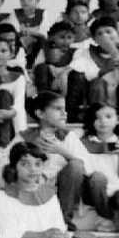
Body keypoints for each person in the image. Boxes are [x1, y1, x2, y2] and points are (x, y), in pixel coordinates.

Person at [8, 91, 85, 230]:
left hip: (63, 188)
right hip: (35, 183)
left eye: (64, 109)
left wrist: (61, 151)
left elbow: (86, 168)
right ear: (40, 114)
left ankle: (63, 219)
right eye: (58, 109)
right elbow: (6, 162)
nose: (64, 113)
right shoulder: (25, 137)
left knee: (76, 164)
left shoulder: (68, 137)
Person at [76, 103, 119, 238]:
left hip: (116, 193)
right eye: (97, 118)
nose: (103, 121)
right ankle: (111, 217)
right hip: (94, 191)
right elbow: (85, 173)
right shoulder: (83, 143)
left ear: (118, 119)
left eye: (108, 117)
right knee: (97, 178)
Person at [66, 17, 119, 128]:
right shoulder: (84, 52)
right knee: (97, 82)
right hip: (94, 90)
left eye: (108, 32)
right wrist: (104, 69)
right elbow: (82, 74)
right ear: (94, 39)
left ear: (116, 33)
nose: (105, 36)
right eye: (100, 34)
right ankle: (94, 119)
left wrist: (114, 52)